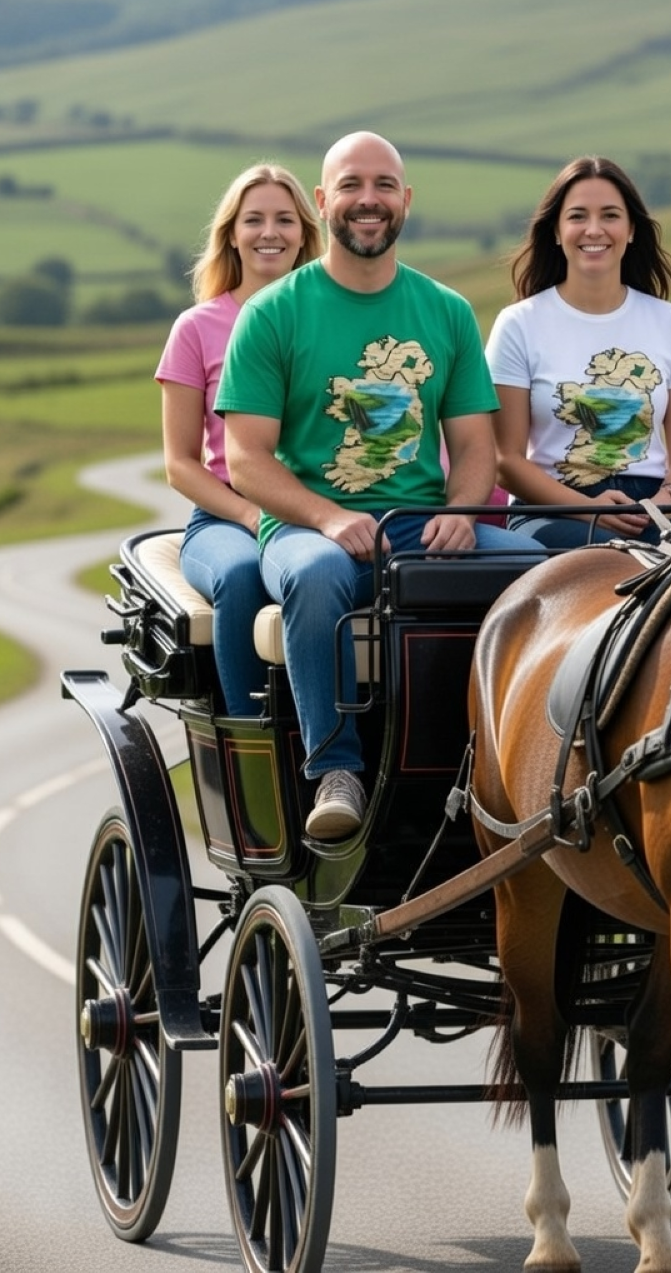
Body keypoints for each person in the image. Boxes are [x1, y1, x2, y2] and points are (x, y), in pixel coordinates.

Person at [219, 131, 541, 841]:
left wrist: (463, 512)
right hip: (304, 529)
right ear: (323, 200)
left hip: (419, 525)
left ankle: (527, 762)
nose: (369, 200)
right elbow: (246, 460)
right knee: (317, 575)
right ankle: (337, 773)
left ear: (406, 200)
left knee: (541, 573)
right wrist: (327, 517)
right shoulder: (272, 314)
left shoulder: (446, 310)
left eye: (384, 185)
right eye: (352, 185)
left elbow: (474, 445)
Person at [155, 163, 323, 715]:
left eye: (285, 219)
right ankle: (249, 734)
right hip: (228, 515)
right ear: (231, 234)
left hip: (320, 504)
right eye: (254, 220)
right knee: (241, 572)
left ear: (305, 233)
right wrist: (252, 515)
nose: (269, 233)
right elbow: (180, 464)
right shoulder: (196, 328)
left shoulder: (330, 320)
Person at [485, 155, 671, 548]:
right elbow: (506, 460)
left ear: (631, 229)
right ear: (556, 232)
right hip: (551, 512)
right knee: (607, 562)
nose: (594, 229)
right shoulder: (518, 324)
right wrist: (588, 510)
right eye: (577, 216)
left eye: (610, 215)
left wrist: (664, 502)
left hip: (652, 510)